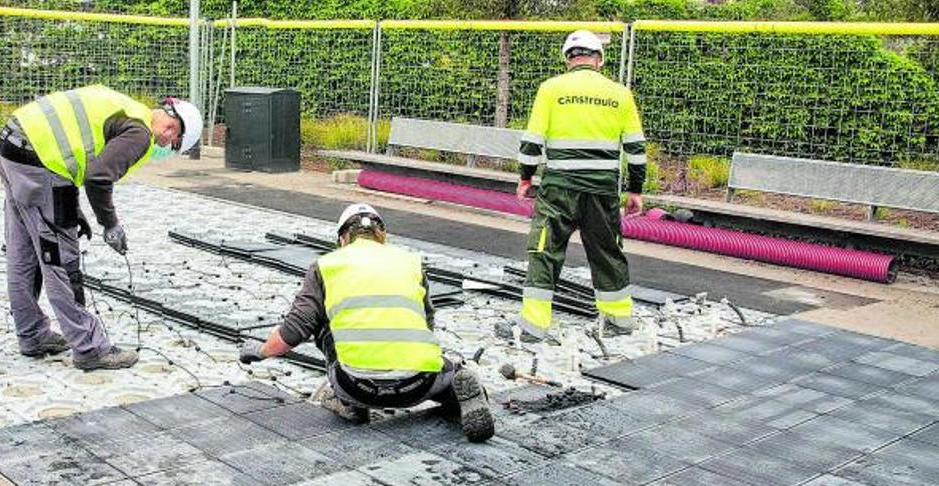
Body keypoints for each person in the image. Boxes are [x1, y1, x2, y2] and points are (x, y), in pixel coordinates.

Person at [239, 204, 495, 443]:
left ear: (342, 239)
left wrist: (260, 351)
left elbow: (293, 332)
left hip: (356, 385)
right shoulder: (411, 263)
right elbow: (427, 324)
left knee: (323, 322)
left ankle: (349, 403)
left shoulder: (325, 266)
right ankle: (455, 389)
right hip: (418, 384)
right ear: (382, 236)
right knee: (445, 368)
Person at [0, 85, 202, 370]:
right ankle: (89, 348)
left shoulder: (127, 108)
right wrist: (111, 224)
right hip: (37, 159)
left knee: (24, 252)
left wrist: (73, 208)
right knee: (62, 261)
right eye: (173, 142)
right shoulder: (140, 133)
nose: (166, 146)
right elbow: (97, 177)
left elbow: (74, 152)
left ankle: (32, 334)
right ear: (172, 129)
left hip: (12, 146)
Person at [500, 30, 647, 343]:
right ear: (599, 59)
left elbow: (532, 142)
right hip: (603, 190)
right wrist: (635, 190)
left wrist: (526, 178)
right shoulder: (620, 94)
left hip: (559, 189)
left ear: (568, 58)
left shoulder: (551, 89)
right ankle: (619, 320)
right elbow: (636, 149)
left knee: (545, 250)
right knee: (608, 251)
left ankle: (533, 326)